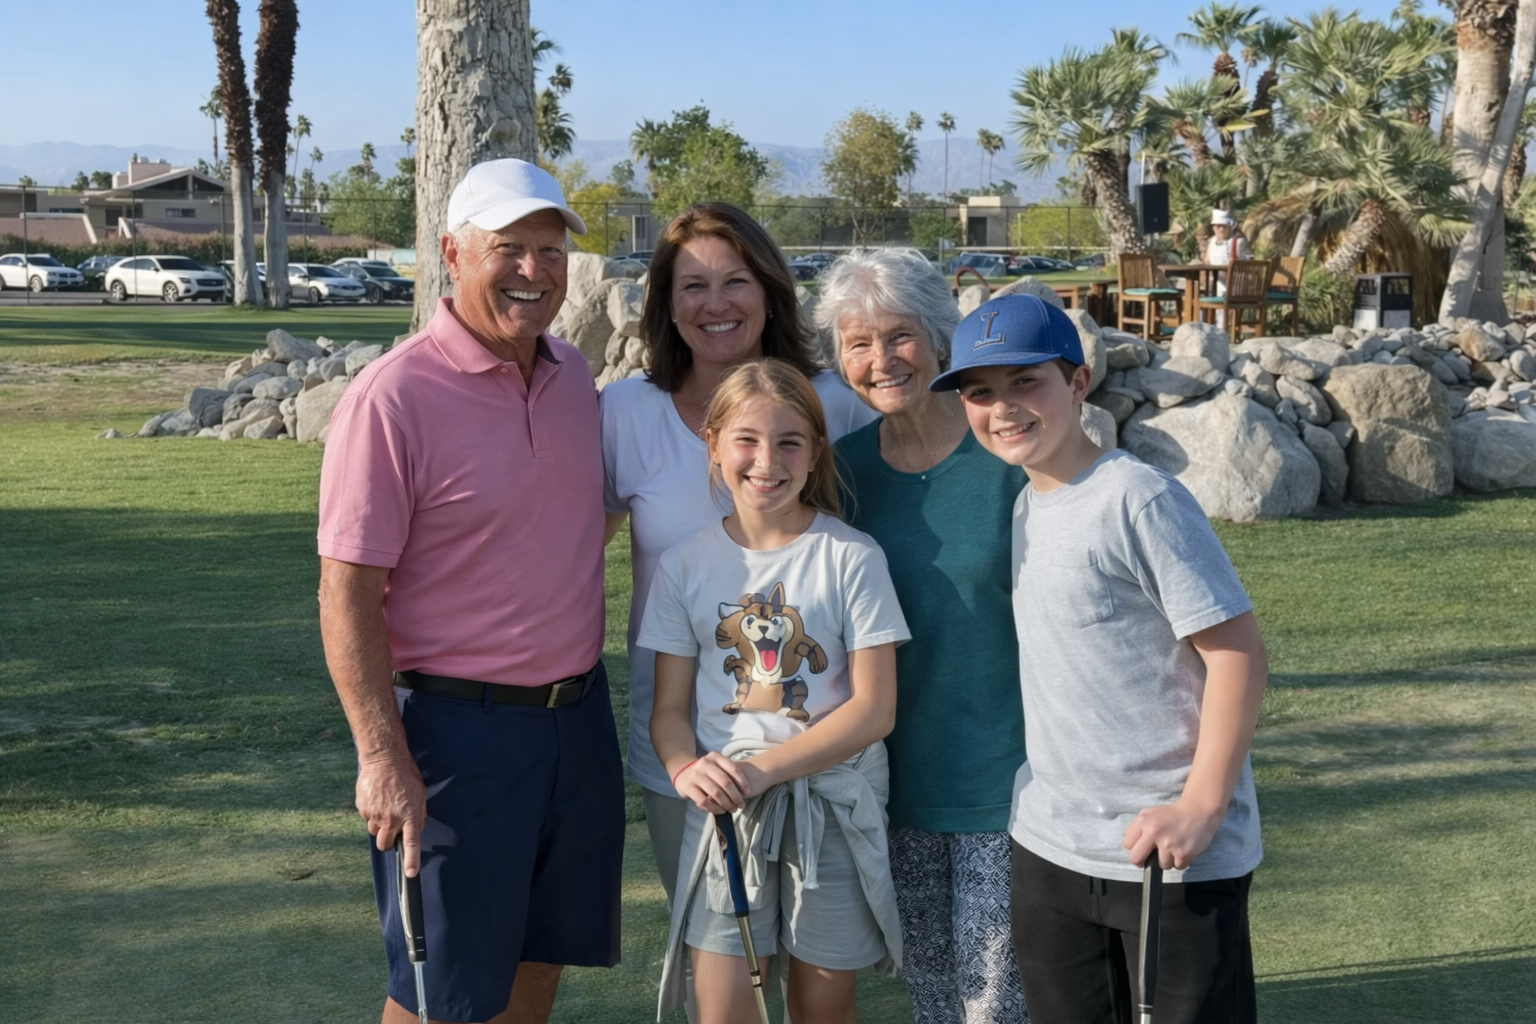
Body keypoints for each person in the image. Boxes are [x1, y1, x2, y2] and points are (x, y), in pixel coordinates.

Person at [317, 158, 624, 1024]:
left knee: (540, 957)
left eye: (551, 251)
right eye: (509, 249)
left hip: (577, 721)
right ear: (452, 254)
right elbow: (345, 593)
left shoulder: (571, 376)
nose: (535, 270)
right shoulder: (391, 397)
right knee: (440, 992)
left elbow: (564, 522)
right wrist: (382, 758)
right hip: (454, 737)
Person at [933, 293, 1269, 1024]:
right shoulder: (1025, 504)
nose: (1003, 408)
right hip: (1051, 847)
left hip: (1169, 855)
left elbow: (1238, 654)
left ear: (1078, 382)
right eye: (980, 392)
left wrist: (1201, 806)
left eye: (1027, 382)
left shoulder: (1138, 498)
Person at [601, 203, 877, 913]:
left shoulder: (833, 406)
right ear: (666, 304)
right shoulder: (626, 412)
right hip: (687, 754)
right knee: (714, 955)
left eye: (736, 281)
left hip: (822, 751)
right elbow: (573, 550)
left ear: (770, 291)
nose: (715, 304)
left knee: (819, 963)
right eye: (693, 286)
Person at [641, 358, 908, 1024]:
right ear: (713, 446)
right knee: (725, 1009)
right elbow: (668, 710)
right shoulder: (683, 565)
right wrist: (686, 769)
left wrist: (762, 772)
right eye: (747, 440)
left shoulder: (852, 557)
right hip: (726, 811)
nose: (767, 461)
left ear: (815, 452)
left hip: (832, 808)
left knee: (822, 1010)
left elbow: (874, 709)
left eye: (789, 442)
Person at [817, 249, 1029, 1024]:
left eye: (899, 335)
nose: (881, 360)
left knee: (995, 1006)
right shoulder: (838, 476)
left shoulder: (1011, 457)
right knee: (935, 1001)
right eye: (858, 343)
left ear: (941, 338)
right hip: (892, 788)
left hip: (1008, 786)